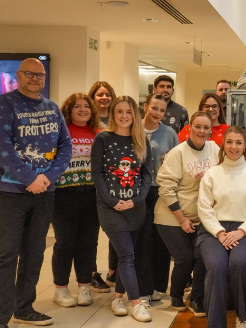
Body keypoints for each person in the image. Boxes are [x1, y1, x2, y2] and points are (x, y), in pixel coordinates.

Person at [0, 58, 72, 327]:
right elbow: (3, 149)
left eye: (40, 75)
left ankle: (24, 308)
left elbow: (65, 146)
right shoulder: (4, 104)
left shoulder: (52, 108)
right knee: (5, 256)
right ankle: (0, 320)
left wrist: (46, 177)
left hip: (44, 192)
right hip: (10, 193)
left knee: (34, 252)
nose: (35, 79)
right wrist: (29, 179)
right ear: (20, 75)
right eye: (30, 74)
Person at [197, 126, 246, 328]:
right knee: (217, 266)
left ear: (245, 145)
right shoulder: (212, 174)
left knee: (239, 263)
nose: (233, 146)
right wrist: (219, 232)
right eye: (229, 142)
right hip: (213, 231)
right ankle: (216, 324)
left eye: (238, 142)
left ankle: (242, 315)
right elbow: (204, 209)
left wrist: (241, 231)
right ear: (223, 144)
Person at [91, 95, 153, 322]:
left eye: (129, 112)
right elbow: (97, 173)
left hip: (135, 207)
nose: (124, 116)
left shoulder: (141, 140)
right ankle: (136, 303)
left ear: (135, 115)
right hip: (110, 208)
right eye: (120, 112)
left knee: (125, 253)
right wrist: (110, 200)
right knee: (127, 255)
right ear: (113, 114)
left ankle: (118, 295)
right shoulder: (103, 139)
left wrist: (137, 199)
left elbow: (147, 174)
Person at [155, 111, 220, 317]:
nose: (201, 131)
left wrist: (211, 176)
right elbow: (165, 188)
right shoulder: (178, 153)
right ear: (189, 128)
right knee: (184, 258)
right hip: (171, 215)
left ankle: (197, 299)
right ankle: (176, 295)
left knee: (202, 258)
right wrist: (182, 219)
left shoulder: (214, 148)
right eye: (197, 126)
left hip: (201, 216)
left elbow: (222, 175)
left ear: (211, 131)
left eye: (206, 128)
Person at [51, 93, 102, 308]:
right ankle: (61, 289)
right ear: (68, 110)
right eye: (77, 107)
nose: (82, 110)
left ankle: (84, 287)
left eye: (86, 106)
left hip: (92, 195)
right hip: (63, 196)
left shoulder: (99, 134)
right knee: (65, 243)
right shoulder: (59, 133)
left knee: (88, 243)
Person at [133, 94, 179, 302]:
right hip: (140, 191)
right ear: (145, 107)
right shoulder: (133, 130)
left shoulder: (169, 133)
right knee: (143, 241)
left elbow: (176, 161)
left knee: (161, 240)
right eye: (154, 108)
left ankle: (160, 286)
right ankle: (144, 288)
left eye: (162, 110)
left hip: (161, 191)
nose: (158, 113)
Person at [87, 81, 118, 291]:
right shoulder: (88, 120)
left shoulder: (117, 120)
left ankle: (114, 272)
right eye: (100, 94)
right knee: (90, 233)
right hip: (89, 184)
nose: (104, 98)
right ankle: (91, 273)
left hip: (114, 184)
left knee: (116, 231)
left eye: (108, 94)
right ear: (93, 97)